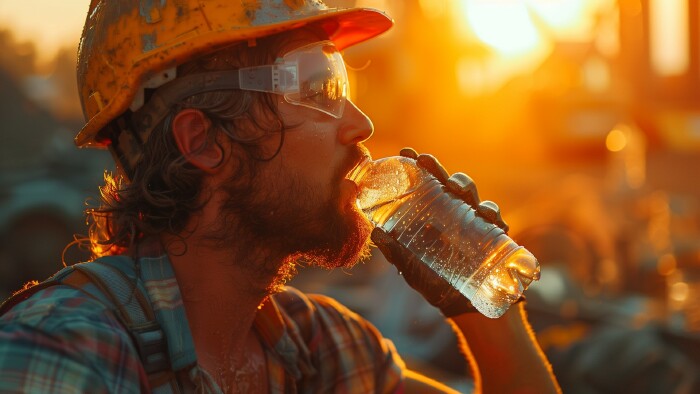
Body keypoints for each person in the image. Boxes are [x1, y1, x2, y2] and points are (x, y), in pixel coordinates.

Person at [0, 1, 560, 392]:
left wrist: (480, 297)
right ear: (203, 141)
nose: (360, 124)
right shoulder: (63, 356)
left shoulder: (323, 351)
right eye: (318, 87)